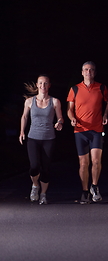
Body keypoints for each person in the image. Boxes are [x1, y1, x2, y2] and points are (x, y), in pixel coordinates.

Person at [67, 61, 108, 204]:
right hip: (80, 130)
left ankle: (95, 186)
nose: (88, 72)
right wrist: (72, 118)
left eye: (91, 70)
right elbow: (69, 109)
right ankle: (85, 191)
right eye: (86, 70)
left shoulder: (101, 87)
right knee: (83, 163)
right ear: (82, 72)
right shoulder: (75, 89)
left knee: (96, 161)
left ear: (95, 72)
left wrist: (105, 115)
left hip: (97, 129)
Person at [19, 75, 63, 205]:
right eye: (40, 83)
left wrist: (59, 123)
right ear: (37, 85)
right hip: (33, 137)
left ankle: (43, 194)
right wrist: (22, 131)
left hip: (49, 138)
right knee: (34, 167)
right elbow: (24, 117)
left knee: (46, 168)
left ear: (49, 85)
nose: (43, 86)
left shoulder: (55, 101)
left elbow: (60, 117)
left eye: (45, 84)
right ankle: (35, 186)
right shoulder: (29, 101)